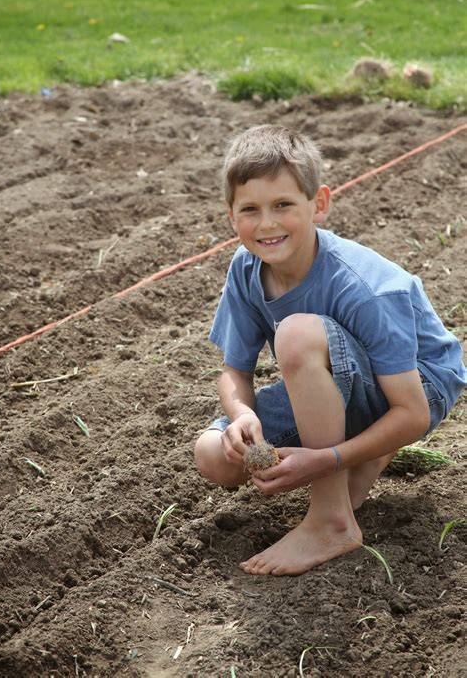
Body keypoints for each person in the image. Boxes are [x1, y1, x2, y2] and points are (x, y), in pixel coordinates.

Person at [194, 124, 466, 576]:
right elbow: (233, 370)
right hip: (345, 379)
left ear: (318, 203)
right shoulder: (246, 269)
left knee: (296, 336)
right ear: (230, 215)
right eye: (250, 209)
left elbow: (414, 414)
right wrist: (242, 416)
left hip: (418, 383)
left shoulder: (364, 287)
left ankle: (330, 521)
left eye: (283, 204)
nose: (267, 223)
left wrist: (324, 461)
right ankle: (367, 450)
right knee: (213, 456)